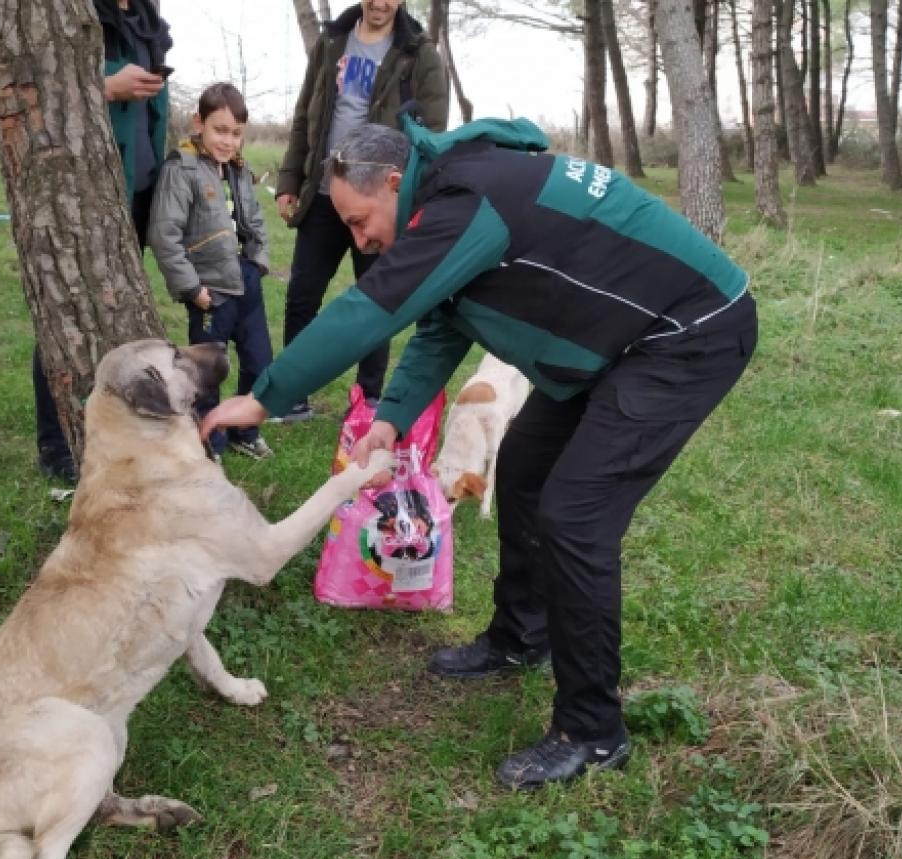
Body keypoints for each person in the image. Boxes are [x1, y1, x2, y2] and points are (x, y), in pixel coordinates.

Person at [201, 117, 759, 790]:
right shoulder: (453, 198)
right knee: (523, 468)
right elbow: (443, 320)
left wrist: (266, 395)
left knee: (576, 516)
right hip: (616, 340)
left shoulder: (468, 201)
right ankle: (523, 637)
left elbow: (373, 308)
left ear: (395, 184)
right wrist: (391, 418)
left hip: (685, 332)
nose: (360, 239)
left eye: (358, 219)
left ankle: (593, 730)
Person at [270, 0, 448, 423]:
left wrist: (411, 193)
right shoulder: (331, 41)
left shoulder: (418, 52)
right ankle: (290, 395)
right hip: (323, 193)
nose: (381, 3)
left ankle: (368, 399)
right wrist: (290, 180)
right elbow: (303, 115)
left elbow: (434, 132)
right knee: (302, 296)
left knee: (377, 299)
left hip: (378, 200)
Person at [34, 0, 173, 481]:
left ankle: (114, 431)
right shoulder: (72, 14)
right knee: (67, 311)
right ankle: (57, 444)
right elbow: (37, 86)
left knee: (119, 313)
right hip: (87, 192)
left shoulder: (145, 20)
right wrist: (106, 85)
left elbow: (157, 114)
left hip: (136, 191)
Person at [149, 83, 274, 461]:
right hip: (210, 290)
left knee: (260, 363)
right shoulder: (181, 170)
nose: (228, 141)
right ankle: (209, 442)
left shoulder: (238, 170)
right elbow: (163, 234)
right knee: (207, 374)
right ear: (198, 123)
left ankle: (244, 431)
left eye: (236, 133)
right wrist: (192, 289)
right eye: (220, 130)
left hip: (245, 282)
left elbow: (255, 221)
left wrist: (258, 262)